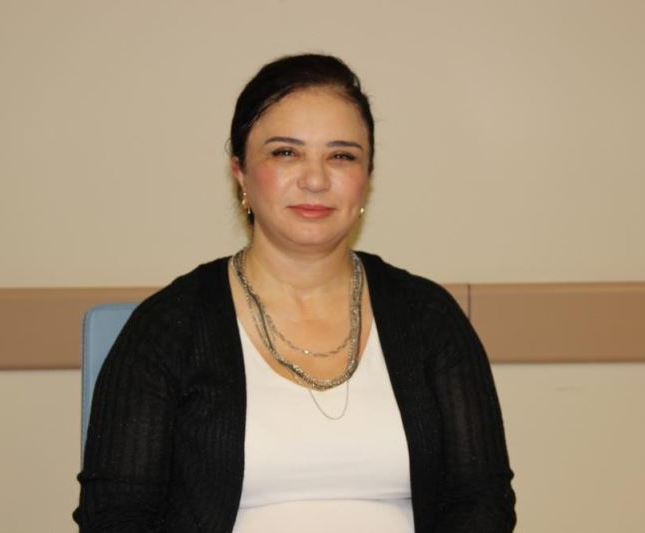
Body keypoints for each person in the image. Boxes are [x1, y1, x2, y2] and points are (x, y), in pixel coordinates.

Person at [74, 53, 516, 533]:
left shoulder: (429, 318)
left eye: (341, 156)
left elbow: (482, 499)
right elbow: (115, 515)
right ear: (240, 172)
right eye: (286, 153)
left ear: (366, 178)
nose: (315, 179)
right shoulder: (168, 328)